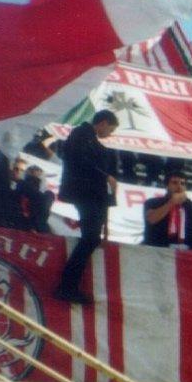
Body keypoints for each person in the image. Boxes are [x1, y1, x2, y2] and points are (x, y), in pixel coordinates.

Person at [55, 109, 119, 304]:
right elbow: (80, 160)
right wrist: (104, 176)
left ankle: (70, 285)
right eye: (111, 128)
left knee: (91, 239)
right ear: (104, 123)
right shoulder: (81, 134)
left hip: (93, 196)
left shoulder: (92, 141)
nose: (110, 133)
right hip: (85, 194)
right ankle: (67, 286)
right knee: (90, 238)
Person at [142, 171, 192, 251]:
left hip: (188, 251)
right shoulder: (153, 202)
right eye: (174, 183)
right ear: (167, 186)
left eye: (182, 183)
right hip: (160, 249)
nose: (179, 186)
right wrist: (171, 202)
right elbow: (151, 219)